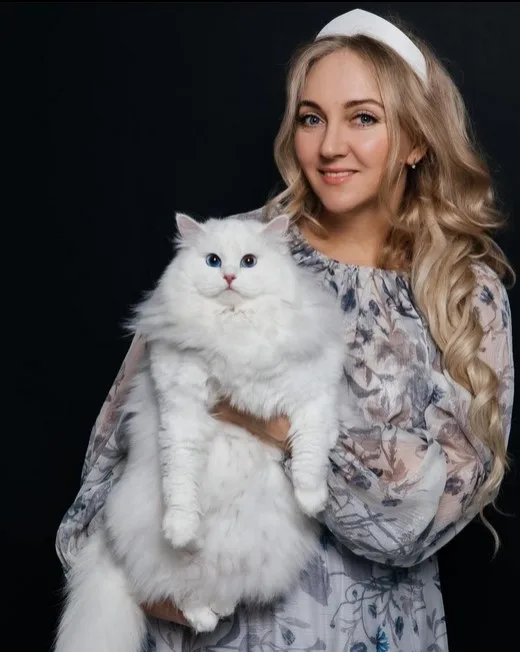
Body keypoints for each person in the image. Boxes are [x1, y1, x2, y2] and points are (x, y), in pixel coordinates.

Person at [55, 8, 514, 652]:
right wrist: (146, 589)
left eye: (363, 118)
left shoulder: (464, 293)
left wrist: (273, 423)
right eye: (310, 118)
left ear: (416, 141)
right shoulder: (235, 253)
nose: (330, 146)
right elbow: (109, 459)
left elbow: (421, 523)